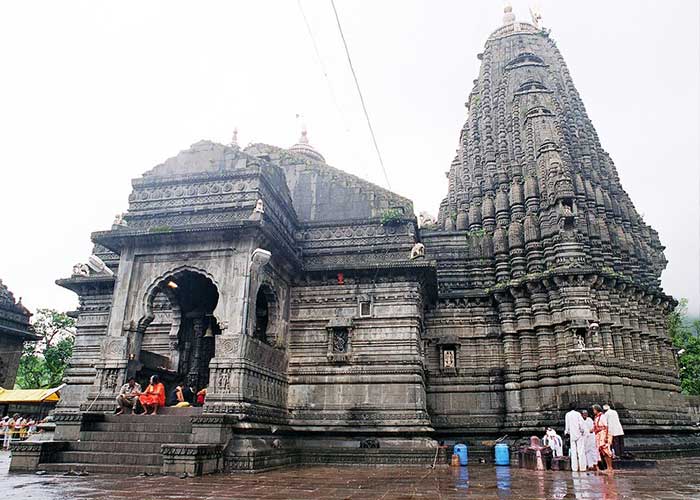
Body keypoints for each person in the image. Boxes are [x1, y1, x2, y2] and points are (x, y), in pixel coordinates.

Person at [564, 403, 587, 472]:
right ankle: (582, 468)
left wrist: (567, 432)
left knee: (573, 452)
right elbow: (581, 424)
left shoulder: (567, 414)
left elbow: (567, 425)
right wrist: (582, 431)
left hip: (572, 434)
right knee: (581, 451)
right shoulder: (578, 414)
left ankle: (574, 468)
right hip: (579, 434)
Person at [593, 404, 614, 473]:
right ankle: (608, 467)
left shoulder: (602, 417)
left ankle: (610, 467)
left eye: (594, 409)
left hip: (603, 435)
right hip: (599, 435)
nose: (593, 411)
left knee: (606, 451)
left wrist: (606, 437)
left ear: (597, 410)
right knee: (603, 452)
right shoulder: (596, 417)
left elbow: (605, 426)